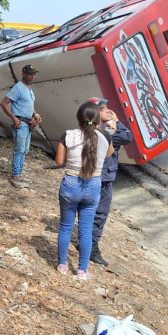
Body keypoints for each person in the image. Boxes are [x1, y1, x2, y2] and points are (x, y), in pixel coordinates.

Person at [54, 101, 114, 280]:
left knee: (66, 226)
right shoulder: (105, 137)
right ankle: (82, 270)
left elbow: (58, 162)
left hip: (71, 184)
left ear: (78, 118)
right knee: (86, 230)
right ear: (97, 120)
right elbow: (109, 154)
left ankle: (62, 264)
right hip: (93, 185)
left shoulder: (68, 135)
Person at [85, 97, 132, 267]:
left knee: (90, 211)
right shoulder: (106, 131)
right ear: (96, 112)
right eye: (103, 109)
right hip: (102, 176)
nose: (108, 112)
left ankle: (86, 243)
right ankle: (91, 248)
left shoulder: (88, 127)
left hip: (94, 174)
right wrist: (117, 121)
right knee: (99, 212)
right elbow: (127, 137)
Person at [0, 65, 43, 188]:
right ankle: (15, 175)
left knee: (25, 149)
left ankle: (19, 173)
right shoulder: (18, 88)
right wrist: (13, 118)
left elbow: (30, 104)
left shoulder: (29, 89)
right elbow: (3, 103)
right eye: (30, 74)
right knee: (19, 149)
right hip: (21, 123)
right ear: (23, 73)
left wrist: (36, 114)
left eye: (34, 74)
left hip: (28, 123)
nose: (33, 76)